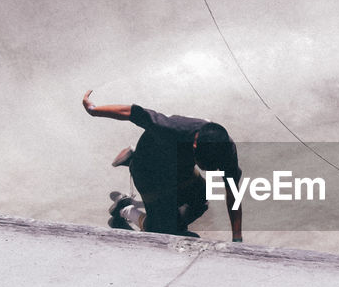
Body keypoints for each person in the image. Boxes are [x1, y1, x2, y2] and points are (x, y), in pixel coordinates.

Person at [82, 90, 243, 242]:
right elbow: (133, 112)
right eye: (205, 165)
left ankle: (167, 218)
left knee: (201, 201)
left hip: (179, 167)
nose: (209, 170)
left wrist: (237, 238)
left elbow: (233, 194)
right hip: (149, 170)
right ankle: (125, 207)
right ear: (194, 147)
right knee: (160, 231)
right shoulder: (172, 128)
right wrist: (93, 109)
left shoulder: (226, 149)